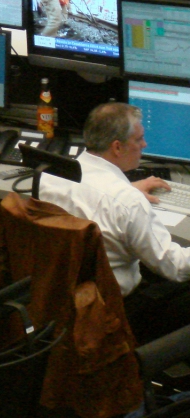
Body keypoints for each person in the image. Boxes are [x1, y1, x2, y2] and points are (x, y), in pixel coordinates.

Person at [39, 102, 190, 342]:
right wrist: (126, 194)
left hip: (61, 300)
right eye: (138, 139)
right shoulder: (128, 202)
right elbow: (175, 267)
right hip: (114, 313)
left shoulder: (52, 178)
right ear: (117, 147)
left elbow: (95, 197)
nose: (144, 145)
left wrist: (126, 188)